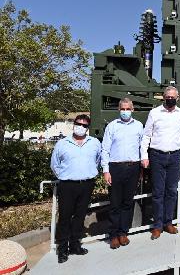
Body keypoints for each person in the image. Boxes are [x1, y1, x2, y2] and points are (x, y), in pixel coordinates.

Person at [50, 114, 101, 263]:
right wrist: (65, 175)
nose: (81, 127)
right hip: (67, 185)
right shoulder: (62, 143)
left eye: (85, 125)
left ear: (88, 128)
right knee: (65, 217)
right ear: (74, 124)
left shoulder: (94, 143)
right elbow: (55, 164)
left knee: (80, 216)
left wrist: (88, 173)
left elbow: (97, 160)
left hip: (86, 184)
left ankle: (75, 245)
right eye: (79, 124)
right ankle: (62, 249)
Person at [140, 86, 180, 240]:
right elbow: (146, 135)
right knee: (158, 192)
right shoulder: (154, 113)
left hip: (175, 156)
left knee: (171, 191)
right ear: (163, 97)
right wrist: (144, 156)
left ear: (178, 97)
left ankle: (168, 222)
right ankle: (157, 225)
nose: (170, 99)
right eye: (167, 96)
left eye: (172, 96)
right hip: (157, 156)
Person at [101, 98, 144, 249]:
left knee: (127, 202)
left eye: (128, 109)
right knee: (115, 203)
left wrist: (141, 170)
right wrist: (106, 170)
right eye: (122, 109)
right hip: (116, 167)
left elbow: (142, 147)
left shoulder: (139, 126)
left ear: (132, 110)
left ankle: (123, 233)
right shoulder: (112, 126)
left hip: (133, 167)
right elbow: (105, 149)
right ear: (119, 110)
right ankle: (113, 235)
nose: (125, 111)